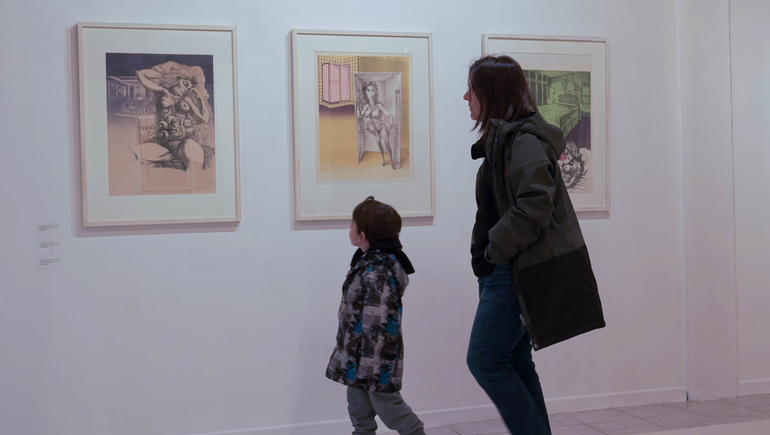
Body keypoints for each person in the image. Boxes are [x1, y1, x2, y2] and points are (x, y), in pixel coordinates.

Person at [463, 55, 605, 434]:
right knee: (515, 361)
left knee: (485, 360)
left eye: (472, 89)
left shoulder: (523, 141)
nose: (465, 97)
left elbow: (533, 209)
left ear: (490, 93)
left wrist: (494, 250)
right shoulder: (507, 139)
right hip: (506, 269)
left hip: (513, 270)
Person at [326, 196, 425, 435]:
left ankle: (415, 432)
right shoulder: (368, 263)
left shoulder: (378, 272)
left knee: (386, 404)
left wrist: (372, 363)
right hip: (357, 353)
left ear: (362, 235)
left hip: (374, 356)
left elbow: (379, 321)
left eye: (352, 224)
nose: (349, 228)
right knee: (358, 405)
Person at [130, 61, 213, 170]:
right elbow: (141, 74)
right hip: (164, 146)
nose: (186, 89)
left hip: (184, 144)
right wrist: (164, 77)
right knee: (129, 154)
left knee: (194, 163)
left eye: (188, 88)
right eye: (185, 84)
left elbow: (204, 119)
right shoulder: (163, 93)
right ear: (177, 79)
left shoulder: (187, 100)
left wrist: (200, 100)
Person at [357, 81, 396, 169]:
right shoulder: (366, 106)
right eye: (368, 90)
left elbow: (388, 114)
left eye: (373, 90)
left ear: (375, 92)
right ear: (365, 92)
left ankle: (392, 161)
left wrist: (391, 121)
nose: (371, 93)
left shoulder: (379, 106)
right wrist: (358, 105)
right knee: (379, 144)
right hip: (374, 129)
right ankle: (383, 159)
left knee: (386, 144)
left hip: (381, 127)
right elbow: (360, 115)